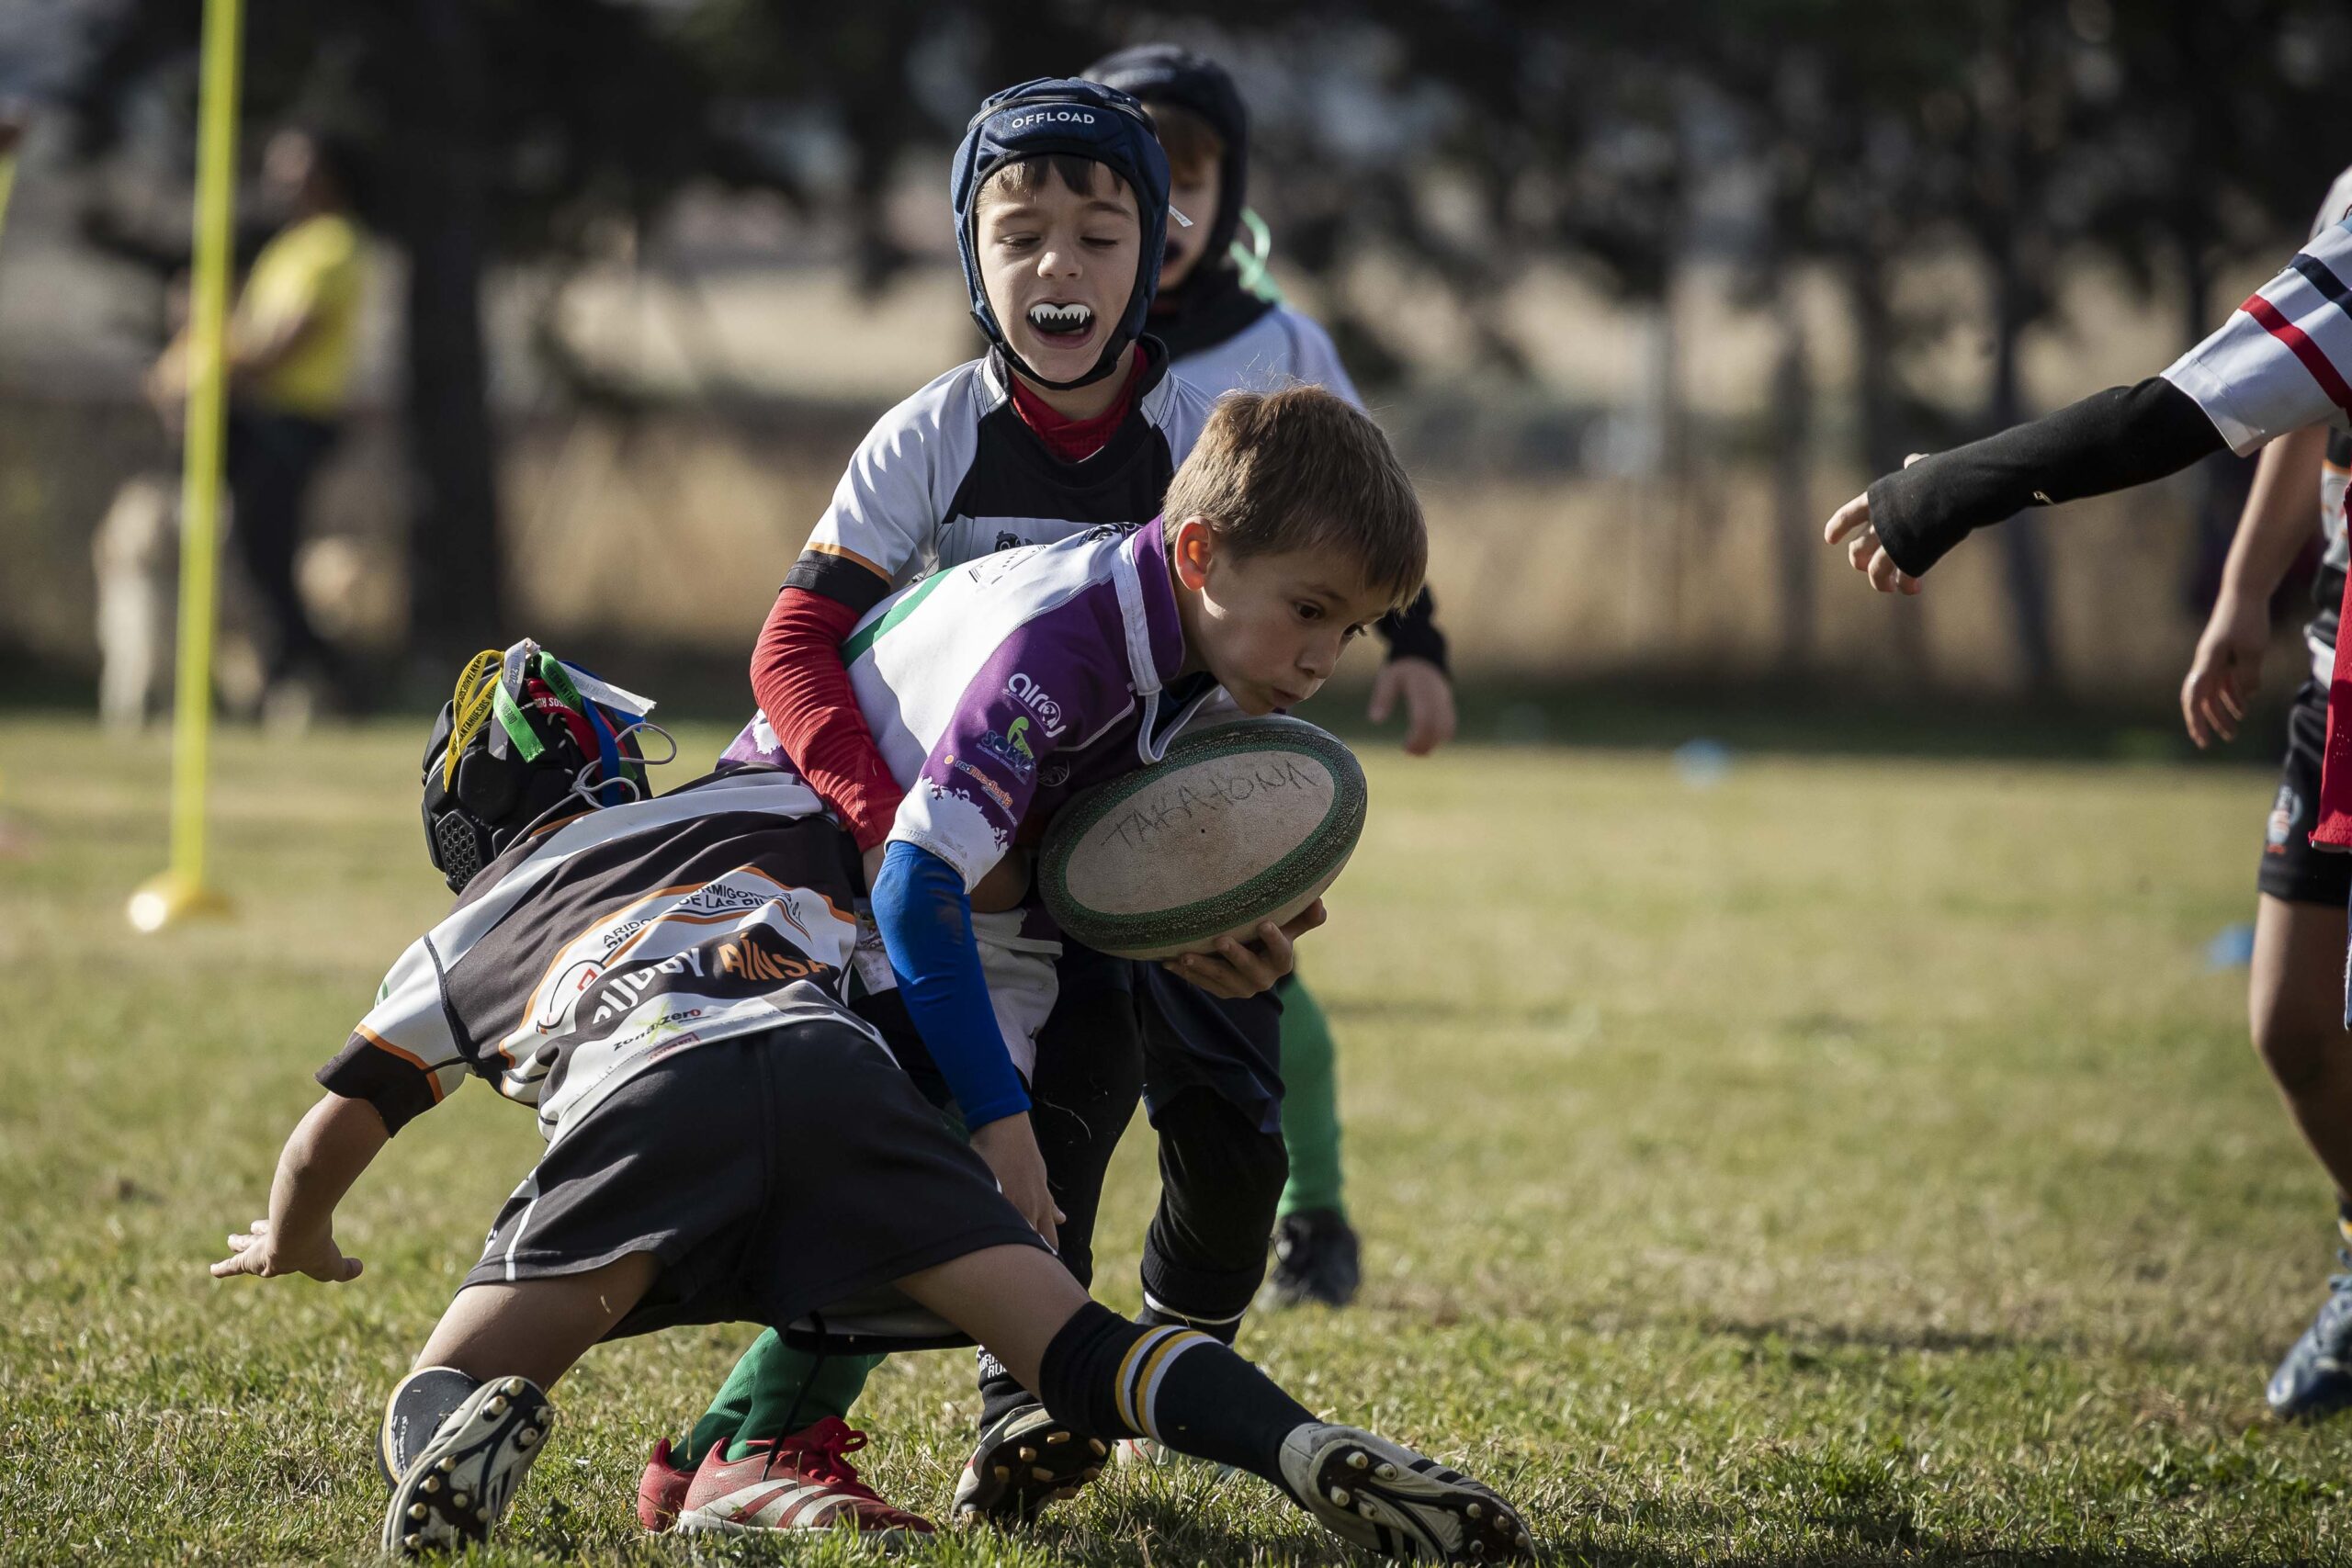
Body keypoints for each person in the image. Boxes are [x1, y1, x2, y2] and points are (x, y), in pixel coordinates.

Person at [208, 656, 1532, 1563]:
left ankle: (448, 1449)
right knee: (1076, 1347)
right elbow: (957, 853)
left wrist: (296, 1234)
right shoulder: (758, 796)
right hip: (827, 1069)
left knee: (455, 1372)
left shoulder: (458, 939)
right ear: (605, 768)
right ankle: (1296, 1443)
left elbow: (337, 1127)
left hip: (641, 1101)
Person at [632, 76, 1290, 1535]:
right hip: (946, 874)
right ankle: (792, 1432)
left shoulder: (1203, 446)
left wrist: (1240, 883)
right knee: (964, 1132)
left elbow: (1247, 687)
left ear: (1158, 252)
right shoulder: (929, 432)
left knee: (1200, 1138)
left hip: (1114, 876)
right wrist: (887, 827)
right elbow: (793, 647)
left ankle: (1063, 1390)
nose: (1060, 263)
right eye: (1020, 231)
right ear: (968, 255)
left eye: (1100, 234)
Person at [1822, 180, 2352, 1420]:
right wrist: (2245, 590)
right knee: (2290, 1024)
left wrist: (1946, 488)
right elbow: (2296, 382)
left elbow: (2167, 415)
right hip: (2344, 679)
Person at [1087, 40, 1460, 1314]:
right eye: (1138, 183)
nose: (1166, 212)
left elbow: (1365, 502)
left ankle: (1315, 1217)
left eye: (1191, 182)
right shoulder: (1061, 336)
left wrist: (1417, 646)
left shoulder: (1279, 336)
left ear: (1230, 190)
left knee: (1251, 970)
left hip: (1216, 720)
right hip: (1073, 709)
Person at [147, 128, 368, 716]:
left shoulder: (334, 247)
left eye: (294, 169)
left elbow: (280, 347)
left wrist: (205, 373)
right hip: (256, 419)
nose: (280, 182)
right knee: (248, 557)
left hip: (291, 421)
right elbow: (241, 333)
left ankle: (312, 676)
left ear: (327, 176)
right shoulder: (284, 249)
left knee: (266, 558)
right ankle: (283, 675)